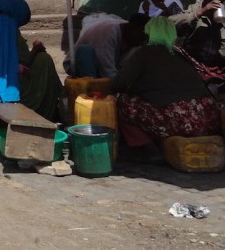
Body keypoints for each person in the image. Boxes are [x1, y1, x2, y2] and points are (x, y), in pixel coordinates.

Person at [111, 17, 220, 155]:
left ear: (148, 33)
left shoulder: (143, 53)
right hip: (206, 118)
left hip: (179, 120)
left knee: (122, 102)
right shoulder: (181, 53)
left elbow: (119, 84)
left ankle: (152, 150)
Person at [67, 14, 148, 78]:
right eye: (141, 36)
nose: (142, 41)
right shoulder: (108, 32)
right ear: (131, 29)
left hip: (107, 68)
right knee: (85, 51)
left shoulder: (135, 38)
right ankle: (90, 89)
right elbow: (107, 70)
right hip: (79, 64)